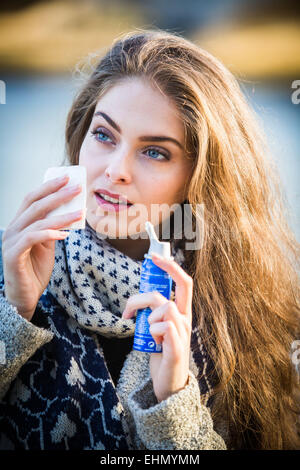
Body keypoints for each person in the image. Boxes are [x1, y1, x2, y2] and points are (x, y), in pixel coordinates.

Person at [0, 28, 299, 450]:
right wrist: (11, 315)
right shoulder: (11, 264)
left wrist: (173, 399)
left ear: (198, 181)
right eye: (104, 134)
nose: (116, 169)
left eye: (155, 151)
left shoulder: (251, 318)